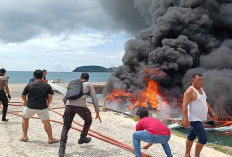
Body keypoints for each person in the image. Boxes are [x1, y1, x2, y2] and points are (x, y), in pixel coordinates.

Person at [59, 73, 102, 157]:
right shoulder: (89, 85)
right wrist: (97, 112)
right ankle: (82, 137)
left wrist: (66, 106)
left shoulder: (72, 83)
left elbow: (65, 97)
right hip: (81, 107)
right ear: (87, 79)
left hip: (69, 106)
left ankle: (61, 150)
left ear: (80, 78)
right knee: (88, 121)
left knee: (66, 126)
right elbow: (94, 99)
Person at [183, 73, 218, 157]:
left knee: (191, 136)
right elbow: (184, 105)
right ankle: (196, 155)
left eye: (202, 80)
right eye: (199, 80)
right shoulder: (190, 91)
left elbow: (204, 102)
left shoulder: (201, 89)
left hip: (199, 118)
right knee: (203, 139)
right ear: (193, 80)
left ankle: (187, 154)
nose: (201, 82)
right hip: (194, 119)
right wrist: (186, 119)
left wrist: (212, 112)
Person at [21, 69, 59, 144]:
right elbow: (50, 96)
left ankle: (25, 136)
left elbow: (23, 95)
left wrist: (25, 101)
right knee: (46, 121)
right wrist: (48, 103)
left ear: (34, 76)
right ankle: (50, 138)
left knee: (25, 118)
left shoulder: (29, 85)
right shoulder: (46, 85)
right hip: (42, 107)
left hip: (30, 106)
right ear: (42, 76)